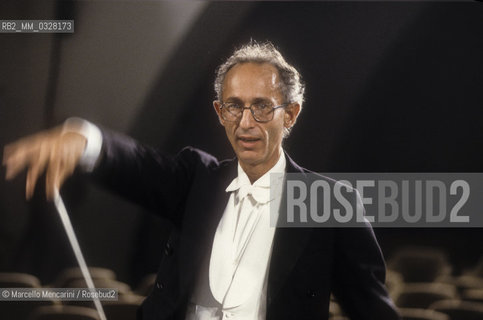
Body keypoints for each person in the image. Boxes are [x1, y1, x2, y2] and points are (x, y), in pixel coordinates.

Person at [3, 42, 400, 320]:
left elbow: (370, 308)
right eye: (234, 107)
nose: (245, 123)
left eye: (262, 107)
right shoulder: (197, 178)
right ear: (219, 111)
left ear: (291, 114)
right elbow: (138, 167)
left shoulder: (329, 202)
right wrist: (84, 140)